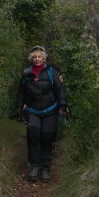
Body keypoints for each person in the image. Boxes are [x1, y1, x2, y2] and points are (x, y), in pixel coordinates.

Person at [13, 45, 68, 182]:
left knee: (46, 137)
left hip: (50, 110)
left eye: (39, 57)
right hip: (32, 110)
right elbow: (21, 93)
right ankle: (34, 166)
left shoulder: (51, 72)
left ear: (44, 58)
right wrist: (19, 108)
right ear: (31, 59)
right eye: (35, 57)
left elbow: (59, 89)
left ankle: (45, 168)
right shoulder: (26, 72)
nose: (37, 59)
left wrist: (62, 105)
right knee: (33, 136)